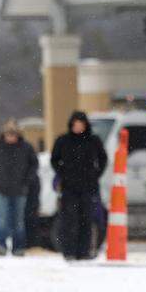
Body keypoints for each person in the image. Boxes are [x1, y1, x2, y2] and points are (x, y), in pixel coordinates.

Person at [50, 111, 107, 260]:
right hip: (69, 188)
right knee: (69, 221)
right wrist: (62, 173)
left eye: (80, 124)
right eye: (75, 124)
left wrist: (96, 174)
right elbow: (54, 159)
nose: (78, 127)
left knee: (86, 220)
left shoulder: (93, 141)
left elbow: (103, 158)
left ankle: (84, 251)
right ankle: (69, 251)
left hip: (88, 187)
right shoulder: (63, 141)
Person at [0, 119, 39, 256]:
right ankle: (1, 245)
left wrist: (27, 181)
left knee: (18, 220)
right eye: (8, 134)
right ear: (3, 134)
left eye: (13, 134)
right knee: (1, 219)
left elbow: (33, 165)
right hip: (0, 189)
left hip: (20, 189)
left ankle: (18, 247)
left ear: (18, 135)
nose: (11, 137)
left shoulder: (26, 147)